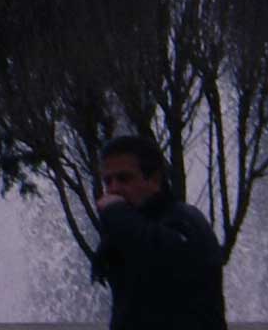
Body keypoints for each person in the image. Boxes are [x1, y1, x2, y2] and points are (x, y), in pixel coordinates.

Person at [89, 133, 226, 330]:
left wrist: (118, 214)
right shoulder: (132, 228)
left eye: (124, 178)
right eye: (108, 181)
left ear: (154, 178)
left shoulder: (185, 220)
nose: (113, 189)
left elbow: (165, 258)